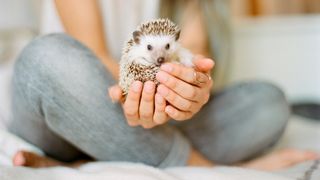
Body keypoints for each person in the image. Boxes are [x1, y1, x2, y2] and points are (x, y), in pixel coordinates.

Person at [9, 0, 318, 170]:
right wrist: (142, 90)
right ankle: (200, 168)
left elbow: (193, 58)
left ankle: (82, 163)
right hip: (64, 113)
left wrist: (189, 90)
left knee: (268, 104)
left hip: (146, 125)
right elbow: (97, 55)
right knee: (47, 58)